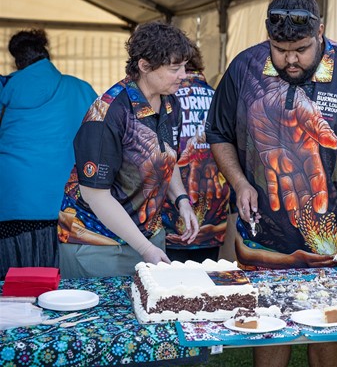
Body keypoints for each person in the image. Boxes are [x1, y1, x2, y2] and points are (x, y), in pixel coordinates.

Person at [206, 0, 337, 367]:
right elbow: (218, 134)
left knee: (330, 323)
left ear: (321, 33)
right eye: (280, 50)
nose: (290, 59)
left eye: (300, 48)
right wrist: (240, 183)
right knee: (266, 323)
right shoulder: (243, 68)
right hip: (263, 234)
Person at [57, 22, 200, 278]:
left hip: (147, 240)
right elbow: (95, 195)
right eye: (174, 68)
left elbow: (168, 158)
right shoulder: (108, 113)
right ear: (144, 66)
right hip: (97, 245)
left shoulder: (170, 103)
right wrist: (145, 248)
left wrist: (182, 202)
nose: (183, 75)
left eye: (184, 67)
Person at [0, 29, 96, 279]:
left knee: (13, 282)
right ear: (47, 56)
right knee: (56, 280)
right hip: (67, 204)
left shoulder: (6, 90)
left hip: (12, 202)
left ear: (17, 62)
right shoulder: (81, 89)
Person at [161, 45, 230, 263]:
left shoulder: (165, 100)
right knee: (206, 287)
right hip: (214, 216)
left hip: (171, 216)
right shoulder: (220, 99)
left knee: (170, 290)